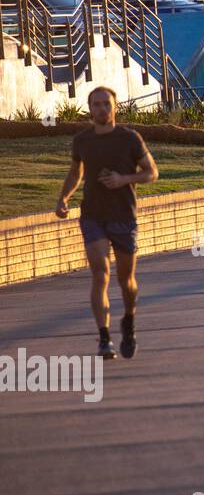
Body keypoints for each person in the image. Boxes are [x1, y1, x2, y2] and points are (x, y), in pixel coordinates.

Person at [54, 86, 159, 359]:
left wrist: (124, 180)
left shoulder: (130, 139)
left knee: (127, 281)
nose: (101, 109)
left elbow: (151, 172)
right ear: (89, 108)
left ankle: (129, 322)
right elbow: (76, 172)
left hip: (124, 215)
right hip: (93, 216)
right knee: (100, 274)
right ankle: (104, 338)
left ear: (115, 107)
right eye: (96, 104)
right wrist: (63, 197)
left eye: (106, 104)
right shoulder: (82, 141)